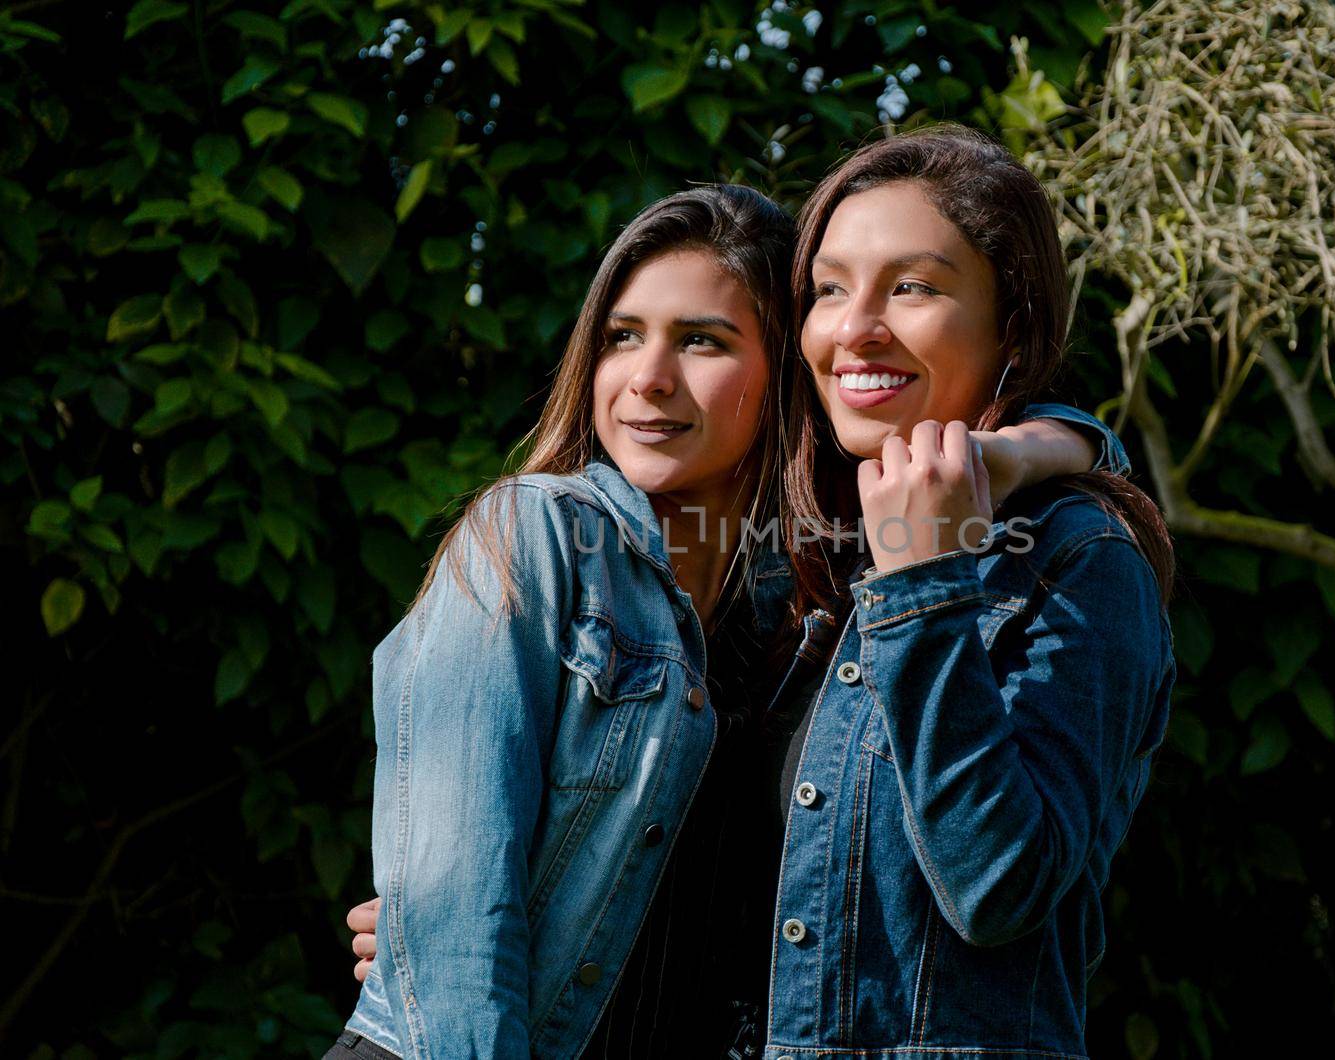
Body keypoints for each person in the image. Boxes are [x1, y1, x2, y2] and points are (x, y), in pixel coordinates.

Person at [329, 178, 1122, 1060]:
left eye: (702, 341)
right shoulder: (534, 535)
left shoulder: (796, 610)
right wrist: (426, 935)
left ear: (788, 372)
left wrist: (1026, 448)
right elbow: (455, 955)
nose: (648, 379)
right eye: (621, 338)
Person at [754, 125, 1177, 1057]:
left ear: (1011, 327)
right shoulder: (807, 552)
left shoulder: (1079, 560)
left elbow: (998, 889)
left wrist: (926, 586)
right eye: (829, 288)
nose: (855, 327)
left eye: (912, 287)